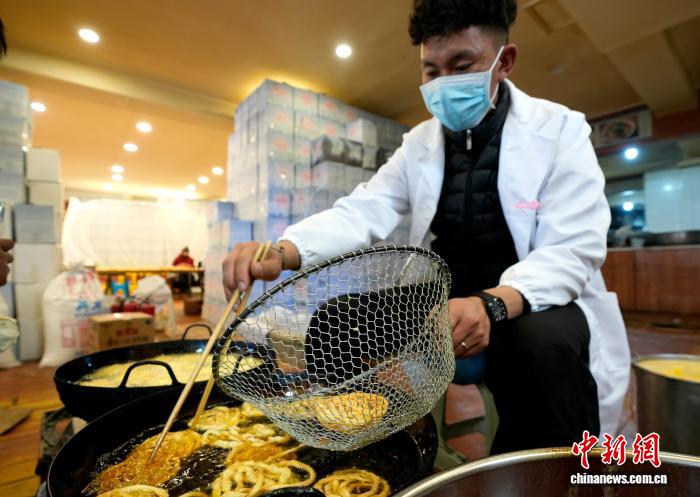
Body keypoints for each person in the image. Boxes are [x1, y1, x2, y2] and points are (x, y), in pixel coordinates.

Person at [223, 0, 630, 453]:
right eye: (432, 71)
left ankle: (530, 472)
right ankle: (362, 438)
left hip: (529, 297)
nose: (443, 83)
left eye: (462, 66)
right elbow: (365, 209)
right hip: (448, 293)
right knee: (334, 322)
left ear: (504, 62)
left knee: (542, 348)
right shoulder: (419, 144)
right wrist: (282, 251)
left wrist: (493, 304)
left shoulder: (559, 130)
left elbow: (573, 249)